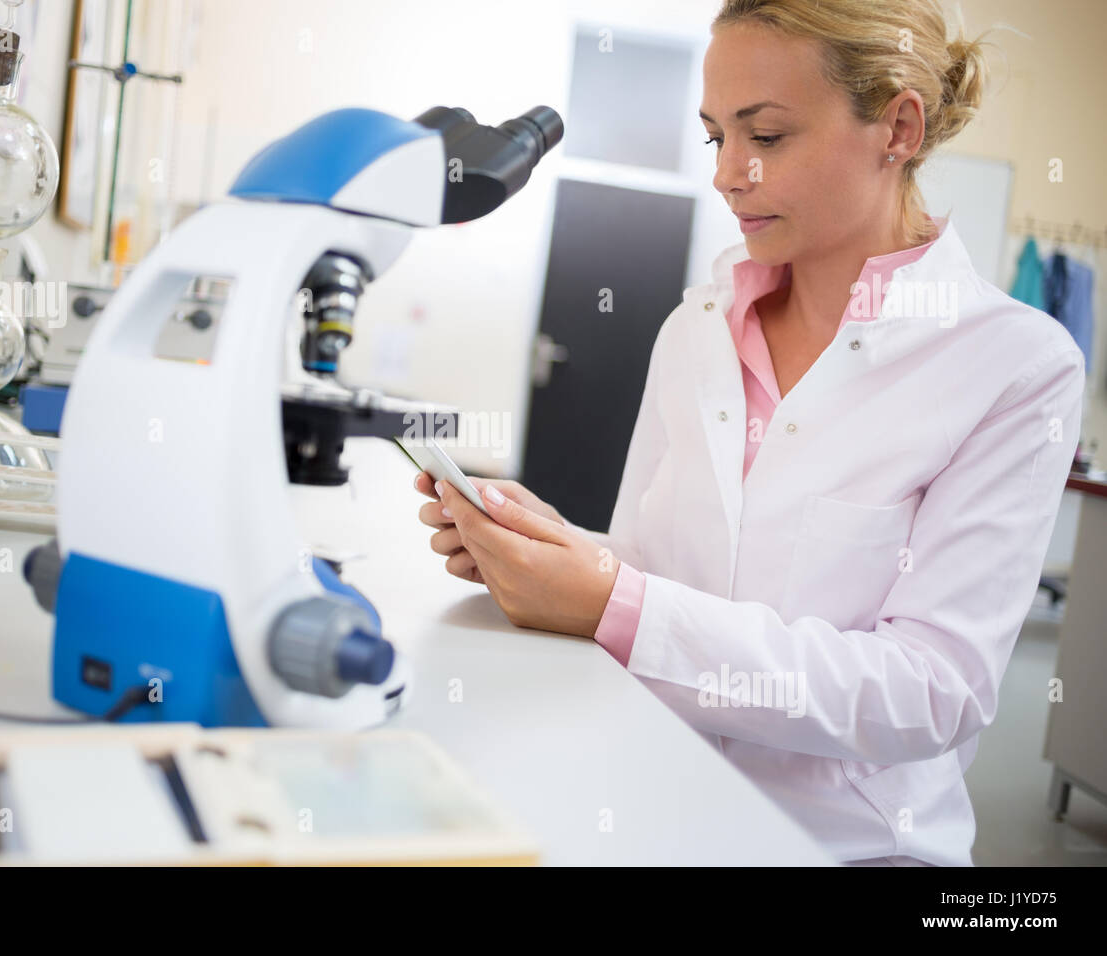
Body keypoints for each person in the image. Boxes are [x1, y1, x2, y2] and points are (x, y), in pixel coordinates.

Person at [414, 0, 1085, 866]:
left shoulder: (1013, 365)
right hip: (647, 790)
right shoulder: (696, 326)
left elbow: (931, 693)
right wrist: (545, 549)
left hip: (845, 846)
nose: (730, 175)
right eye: (714, 138)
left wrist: (612, 600)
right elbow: (650, 573)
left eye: (765, 137)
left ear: (898, 129)